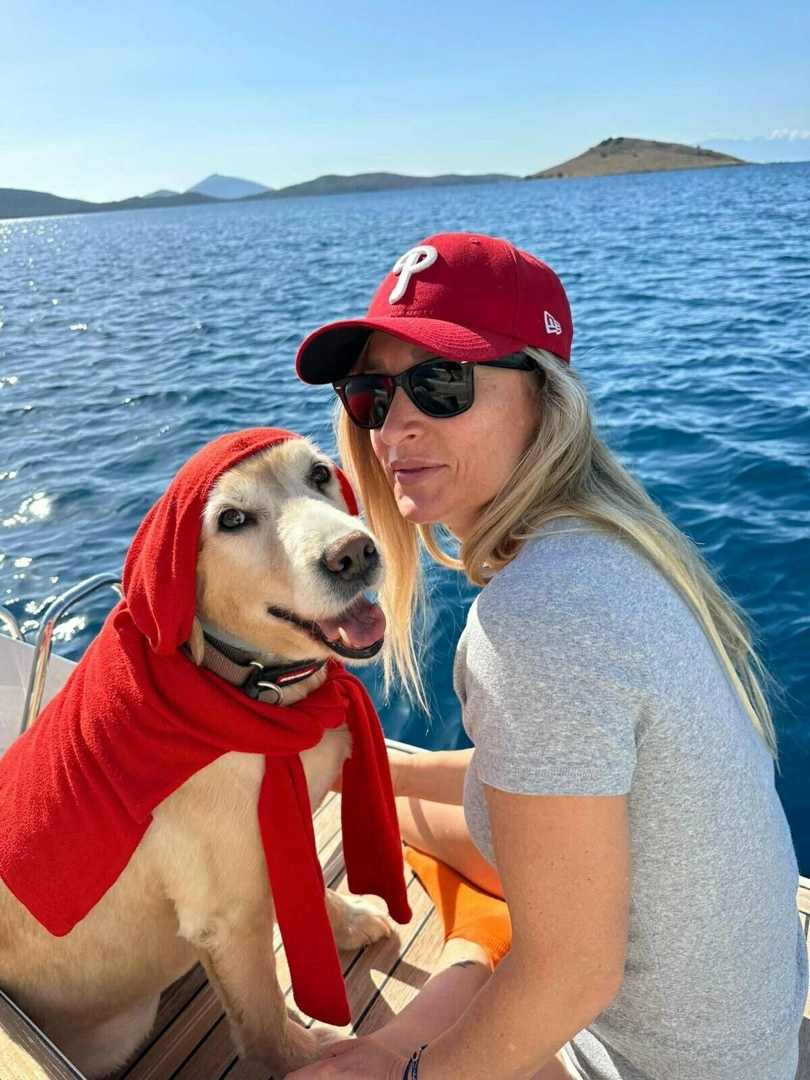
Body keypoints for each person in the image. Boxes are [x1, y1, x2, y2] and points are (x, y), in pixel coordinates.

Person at [288, 233, 807, 1080]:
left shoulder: (539, 616)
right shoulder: (617, 546)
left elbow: (570, 977)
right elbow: (541, 775)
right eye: (371, 394)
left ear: (546, 399)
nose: (395, 426)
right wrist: (367, 764)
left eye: (441, 383)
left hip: (651, 1063)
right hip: (751, 1029)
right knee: (436, 826)